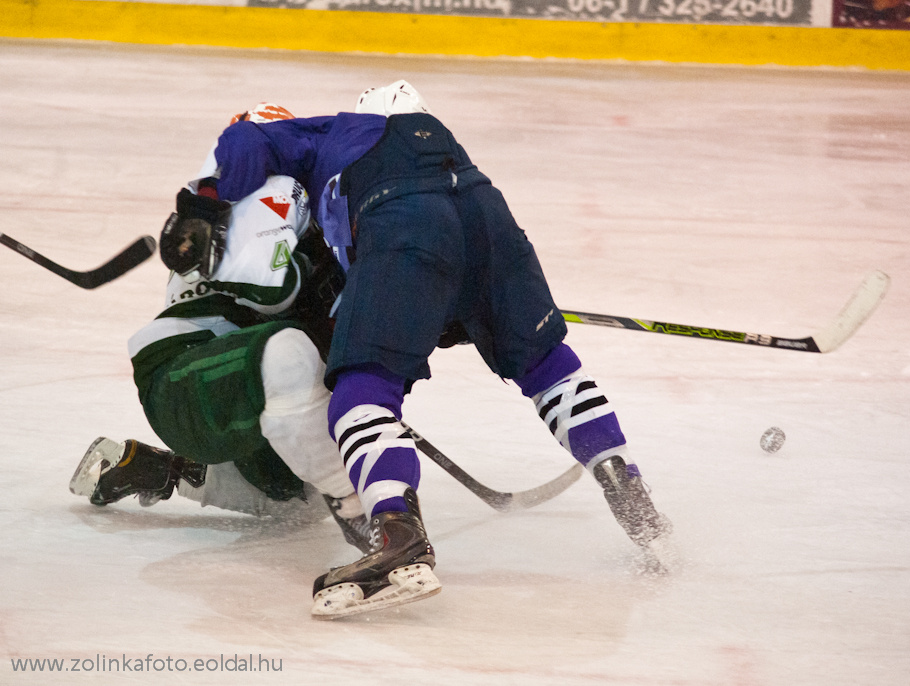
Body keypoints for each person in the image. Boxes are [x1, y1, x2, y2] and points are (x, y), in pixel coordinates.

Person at [166, 83, 673, 619]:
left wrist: (199, 208)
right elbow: (440, 245)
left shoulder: (333, 131)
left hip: (402, 220)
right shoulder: (434, 141)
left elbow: (245, 138)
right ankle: (632, 495)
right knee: (549, 369)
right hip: (488, 214)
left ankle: (398, 539)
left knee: (362, 394)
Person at [70, 104, 372, 553]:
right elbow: (274, 292)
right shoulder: (275, 195)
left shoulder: (216, 212)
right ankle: (365, 514)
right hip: (182, 371)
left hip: (224, 380)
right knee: (289, 354)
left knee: (295, 495)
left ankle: (165, 470)